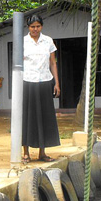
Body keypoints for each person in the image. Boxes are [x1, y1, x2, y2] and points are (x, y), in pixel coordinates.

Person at [22, 14, 60, 163]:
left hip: (45, 81)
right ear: (28, 27)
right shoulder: (23, 42)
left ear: (41, 26)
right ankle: (25, 153)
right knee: (27, 117)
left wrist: (57, 83)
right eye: (32, 27)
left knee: (45, 117)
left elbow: (53, 63)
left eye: (38, 26)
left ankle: (42, 152)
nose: (35, 29)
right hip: (27, 82)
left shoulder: (48, 41)